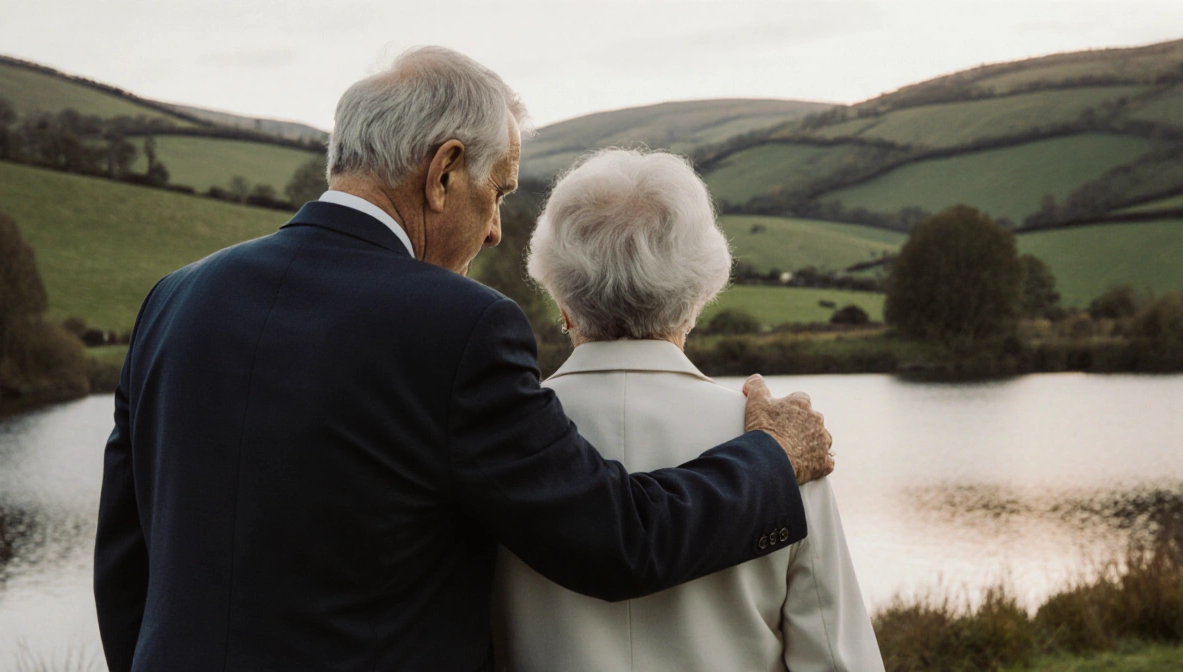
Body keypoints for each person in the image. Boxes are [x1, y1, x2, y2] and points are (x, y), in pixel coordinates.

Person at [92, 47, 834, 671]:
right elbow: (616, 541)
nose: (496, 233)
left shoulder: (176, 300)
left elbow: (125, 561)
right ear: (444, 171)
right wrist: (772, 455)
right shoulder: (456, 326)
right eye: (498, 192)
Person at [493, 149, 883, 671]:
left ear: (559, 296)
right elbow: (837, 659)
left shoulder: (498, 440)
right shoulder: (781, 445)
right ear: (701, 291)